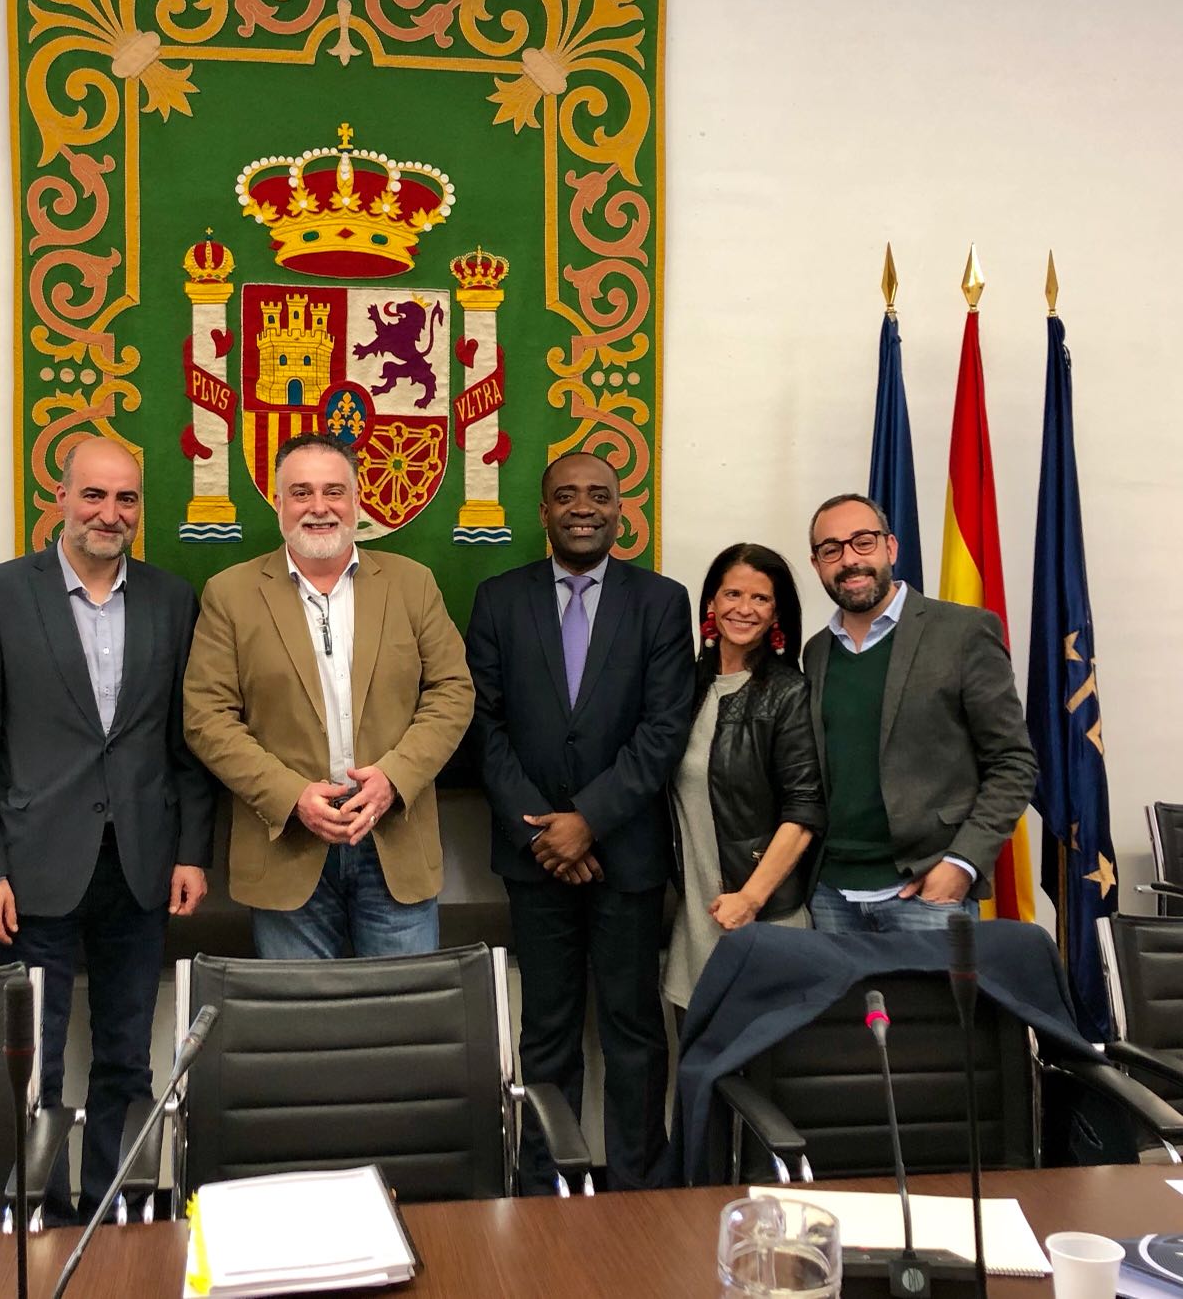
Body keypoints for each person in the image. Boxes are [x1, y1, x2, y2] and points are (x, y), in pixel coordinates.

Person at [0, 437, 213, 1225]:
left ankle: (111, 1211)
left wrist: (192, 852)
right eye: (93, 495)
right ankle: (40, 1216)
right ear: (59, 498)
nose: (110, 513)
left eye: (126, 499)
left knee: (126, 1056)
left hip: (139, 864)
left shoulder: (172, 598)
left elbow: (189, 742)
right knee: (33, 1062)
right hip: (28, 872)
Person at [465, 451, 693, 1192]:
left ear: (621, 509)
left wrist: (587, 820)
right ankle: (546, 1185)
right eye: (566, 496)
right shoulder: (498, 600)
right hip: (534, 860)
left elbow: (665, 728)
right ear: (544, 511)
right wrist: (543, 832)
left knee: (632, 1029)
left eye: (599, 494)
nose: (583, 507)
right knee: (547, 1031)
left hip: (626, 855)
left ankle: (638, 1185)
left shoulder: (661, 601)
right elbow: (483, 728)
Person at [183, 433, 473, 959]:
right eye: (301, 492)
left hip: (394, 844)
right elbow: (207, 717)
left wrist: (393, 779)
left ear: (357, 500)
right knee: (301, 1011)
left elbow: (452, 691)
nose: (319, 507)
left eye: (334, 491)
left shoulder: (413, 584)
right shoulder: (230, 594)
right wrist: (291, 795)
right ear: (278, 503)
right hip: (286, 850)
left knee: (403, 1007)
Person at [802, 492, 1037, 934]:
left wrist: (963, 863)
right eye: (831, 549)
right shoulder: (816, 652)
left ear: (890, 547)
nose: (849, 559)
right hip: (832, 896)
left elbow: (1013, 762)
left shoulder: (963, 633)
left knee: (939, 987)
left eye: (863, 542)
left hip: (928, 894)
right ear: (817, 565)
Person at [661, 543, 823, 1014]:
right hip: (695, 921)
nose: (744, 609)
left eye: (760, 598)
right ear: (711, 602)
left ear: (777, 614)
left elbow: (803, 812)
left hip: (763, 918)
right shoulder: (684, 686)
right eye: (733, 594)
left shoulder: (789, 694)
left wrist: (750, 898)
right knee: (696, 1055)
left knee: (765, 1058)